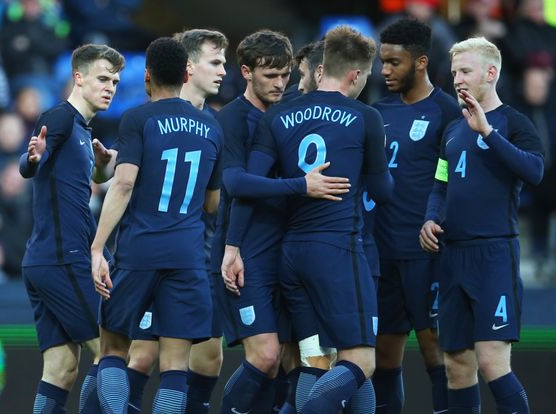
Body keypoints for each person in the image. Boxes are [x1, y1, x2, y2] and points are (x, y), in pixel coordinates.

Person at [224, 25, 393, 414]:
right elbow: (384, 193)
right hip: (338, 249)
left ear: (320, 69)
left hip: (290, 254)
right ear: (354, 75)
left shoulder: (278, 117)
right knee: (361, 361)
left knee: (315, 359)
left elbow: (247, 187)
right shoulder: (365, 117)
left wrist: (233, 246)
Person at [213, 29, 349, 414]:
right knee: (266, 356)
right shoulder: (233, 120)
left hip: (289, 254)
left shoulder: (293, 114)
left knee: (300, 360)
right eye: (269, 75)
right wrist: (301, 186)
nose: (279, 83)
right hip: (245, 252)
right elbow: (235, 182)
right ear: (246, 72)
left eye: (284, 74)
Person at [90, 37, 223, 414]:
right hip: (188, 256)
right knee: (175, 367)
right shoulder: (212, 127)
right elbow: (212, 203)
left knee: (114, 350)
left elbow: (125, 183)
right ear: (186, 74)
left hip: (139, 251)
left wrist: (98, 247)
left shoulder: (138, 119)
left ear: (146, 76)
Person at [419, 37, 543, 413]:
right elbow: (440, 185)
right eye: (455, 71)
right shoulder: (452, 131)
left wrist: (488, 132)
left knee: (492, 362)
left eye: (466, 71)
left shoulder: (515, 123)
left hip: (493, 255)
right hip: (451, 256)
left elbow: (534, 171)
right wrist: (429, 217)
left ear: (490, 73)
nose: (457, 78)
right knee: (457, 366)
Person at [18, 43, 124, 414]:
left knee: (61, 370)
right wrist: (32, 158)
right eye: (102, 79)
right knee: (111, 351)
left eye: (114, 81)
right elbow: (34, 158)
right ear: (78, 78)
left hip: (43, 261)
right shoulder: (60, 118)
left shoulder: (82, 128)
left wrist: (99, 169)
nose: (110, 87)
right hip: (67, 259)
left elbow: (66, 176)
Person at [371, 18, 462, 413]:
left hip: (426, 252)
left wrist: (439, 221)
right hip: (380, 251)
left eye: (394, 62)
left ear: (421, 62)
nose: (384, 70)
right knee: (383, 356)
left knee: (434, 351)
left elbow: (453, 180)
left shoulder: (447, 112)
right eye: (382, 61)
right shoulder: (376, 112)